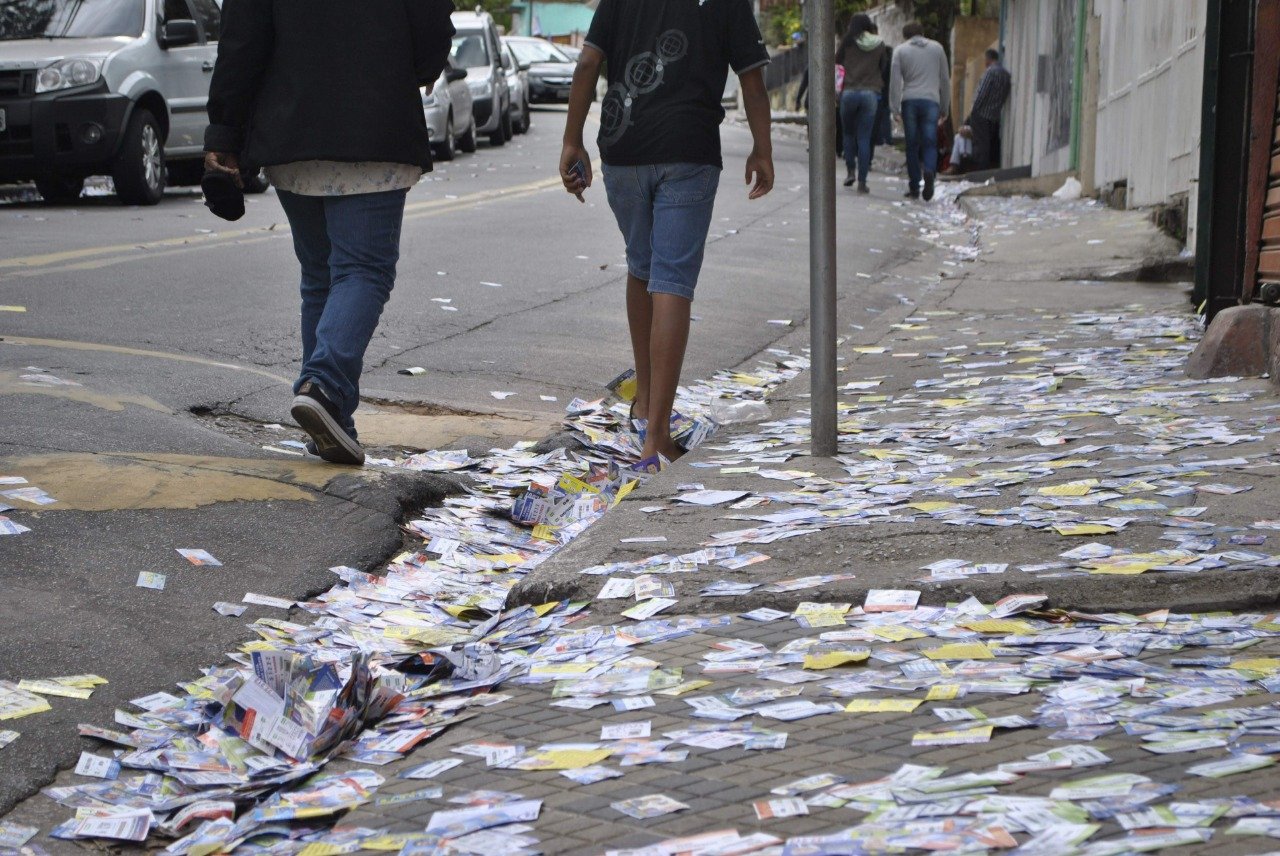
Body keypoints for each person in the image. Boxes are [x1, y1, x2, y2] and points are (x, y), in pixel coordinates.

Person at [203, 0, 454, 466]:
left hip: (292, 126)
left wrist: (223, 132)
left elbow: (242, 38)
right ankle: (324, 384)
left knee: (321, 276)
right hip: (375, 120)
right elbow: (431, 16)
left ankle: (336, 421)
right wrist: (417, 66)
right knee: (363, 270)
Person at [560, 0, 774, 466]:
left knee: (643, 267)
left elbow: (587, 64)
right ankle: (657, 435)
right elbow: (752, 81)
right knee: (672, 280)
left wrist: (571, 140)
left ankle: (644, 402)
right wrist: (762, 148)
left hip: (624, 149)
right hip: (689, 149)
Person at [890, 20, 950, 201]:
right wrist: (944, 106)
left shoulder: (900, 50)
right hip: (932, 101)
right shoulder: (937, 48)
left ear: (905, 35)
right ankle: (930, 171)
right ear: (922, 32)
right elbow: (945, 79)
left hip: (910, 101)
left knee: (912, 145)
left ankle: (914, 186)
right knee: (930, 142)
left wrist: (894, 108)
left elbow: (895, 81)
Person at [835, 13, 890, 193]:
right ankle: (862, 181)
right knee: (865, 138)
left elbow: (837, 64)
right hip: (870, 94)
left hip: (849, 93)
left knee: (848, 134)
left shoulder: (846, 43)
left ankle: (850, 171)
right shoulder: (879, 44)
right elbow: (883, 68)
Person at [965, 48, 1011, 171]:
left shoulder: (990, 72)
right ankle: (988, 168)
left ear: (989, 59)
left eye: (985, 60)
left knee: (980, 144)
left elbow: (982, 93)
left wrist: (973, 110)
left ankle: (980, 170)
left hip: (981, 114)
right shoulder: (1006, 74)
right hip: (994, 115)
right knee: (990, 143)